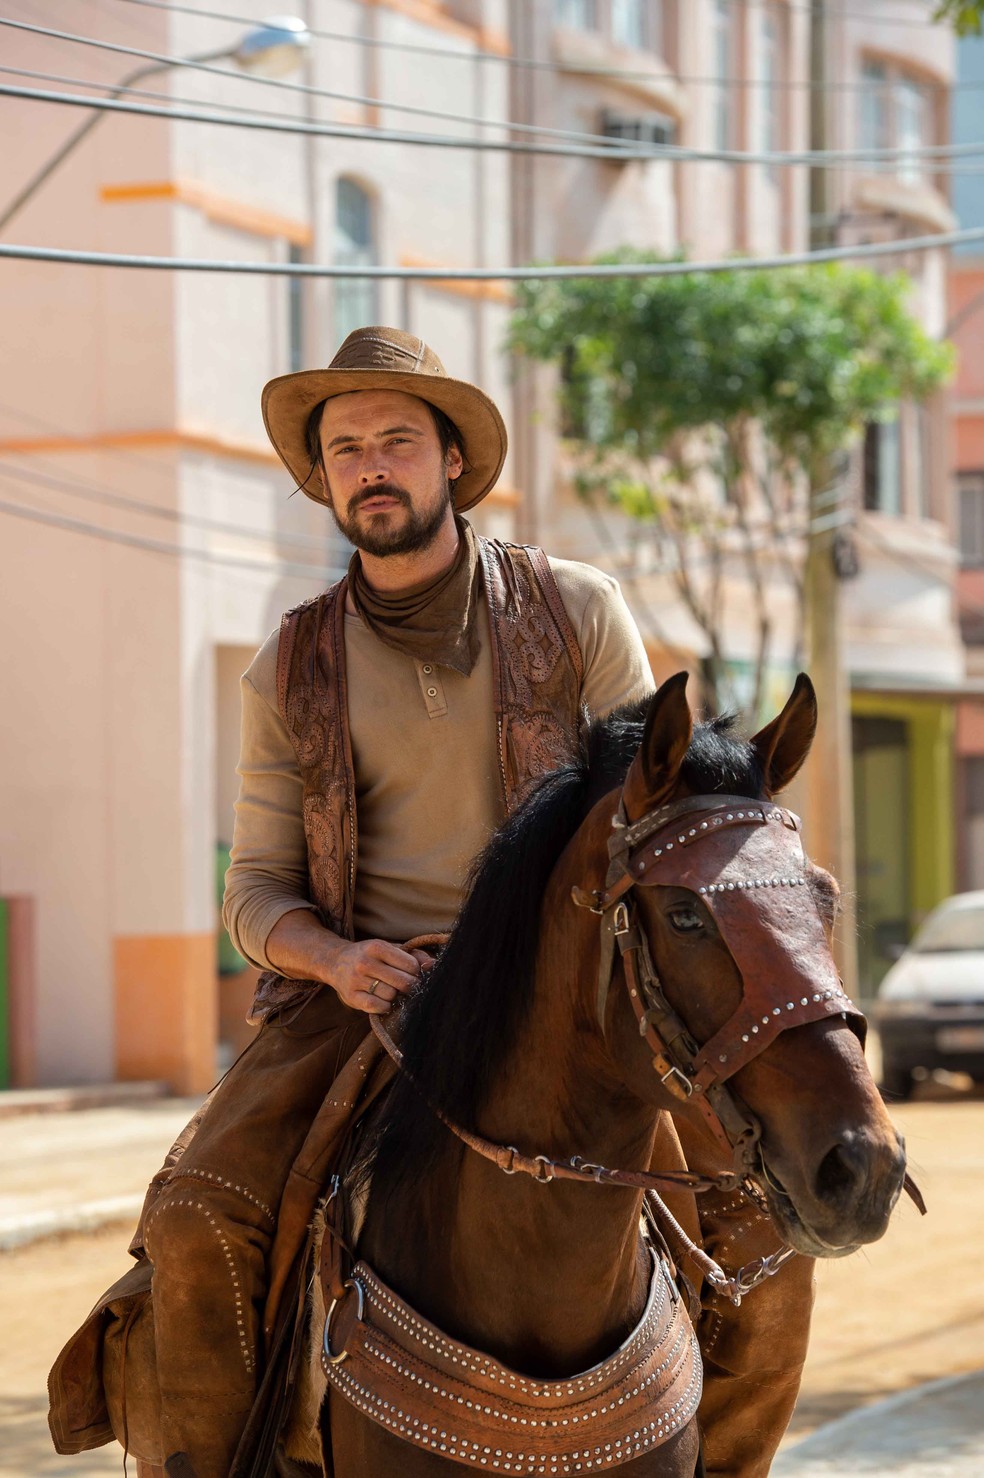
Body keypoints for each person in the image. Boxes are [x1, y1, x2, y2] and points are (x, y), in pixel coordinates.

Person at [127, 327, 814, 1477]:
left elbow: (659, 811)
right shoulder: (286, 666)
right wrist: (333, 958)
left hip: (572, 994)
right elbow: (253, 888)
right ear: (326, 478)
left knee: (766, 1232)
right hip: (366, 995)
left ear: (453, 460)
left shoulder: (576, 607)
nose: (370, 463)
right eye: (345, 447)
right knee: (198, 1222)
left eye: (398, 437)